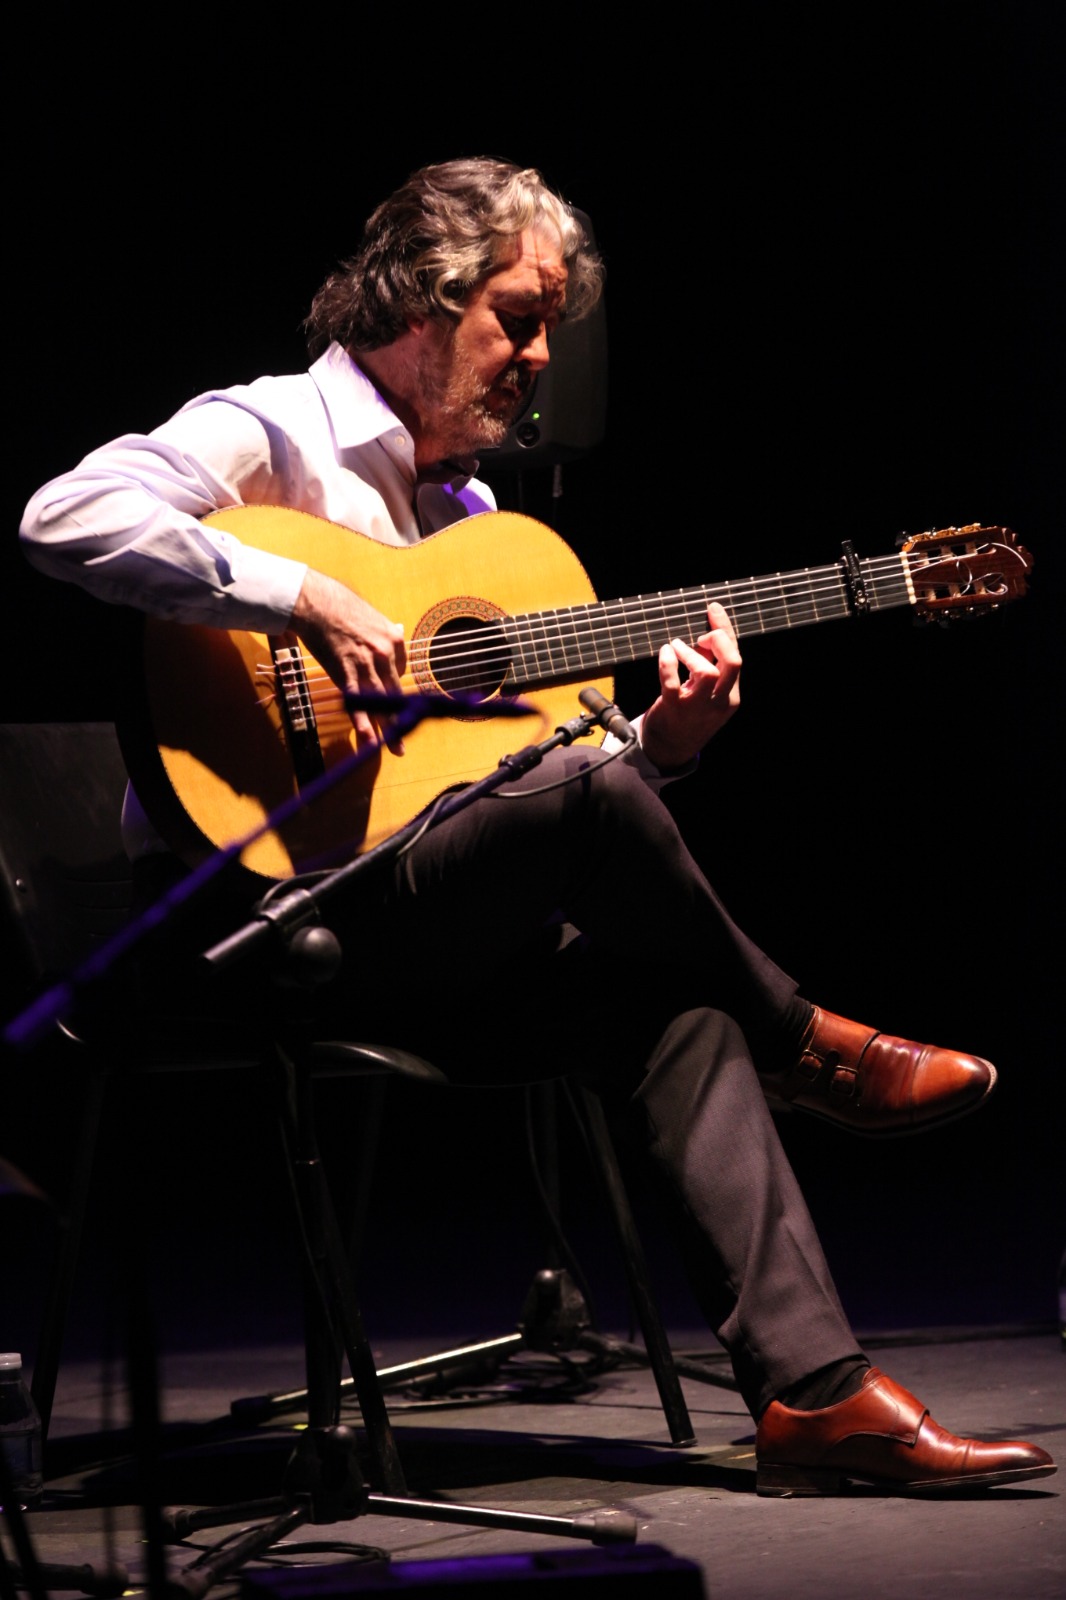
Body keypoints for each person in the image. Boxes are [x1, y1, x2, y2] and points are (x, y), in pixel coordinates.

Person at [19, 157, 1055, 1495]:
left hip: (419, 930)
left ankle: (815, 1396)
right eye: (515, 316)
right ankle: (806, 1041)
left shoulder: (476, 523)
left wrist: (662, 748)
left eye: (547, 326)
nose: (539, 357)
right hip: (253, 920)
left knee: (668, 1003)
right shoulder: (263, 431)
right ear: (415, 300)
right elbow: (64, 515)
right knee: (612, 839)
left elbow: (534, 777)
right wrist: (301, 599)